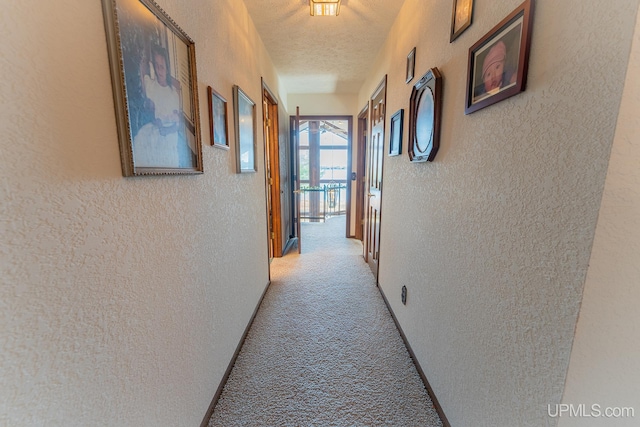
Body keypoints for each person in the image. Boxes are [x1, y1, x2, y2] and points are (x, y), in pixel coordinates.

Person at [133, 45, 190, 168]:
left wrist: (166, 130)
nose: (159, 71)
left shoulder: (173, 91)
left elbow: (178, 124)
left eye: (162, 67)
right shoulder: (151, 86)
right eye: (157, 66)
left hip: (169, 132)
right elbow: (143, 70)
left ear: (167, 68)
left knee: (166, 152)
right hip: (155, 129)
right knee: (141, 140)